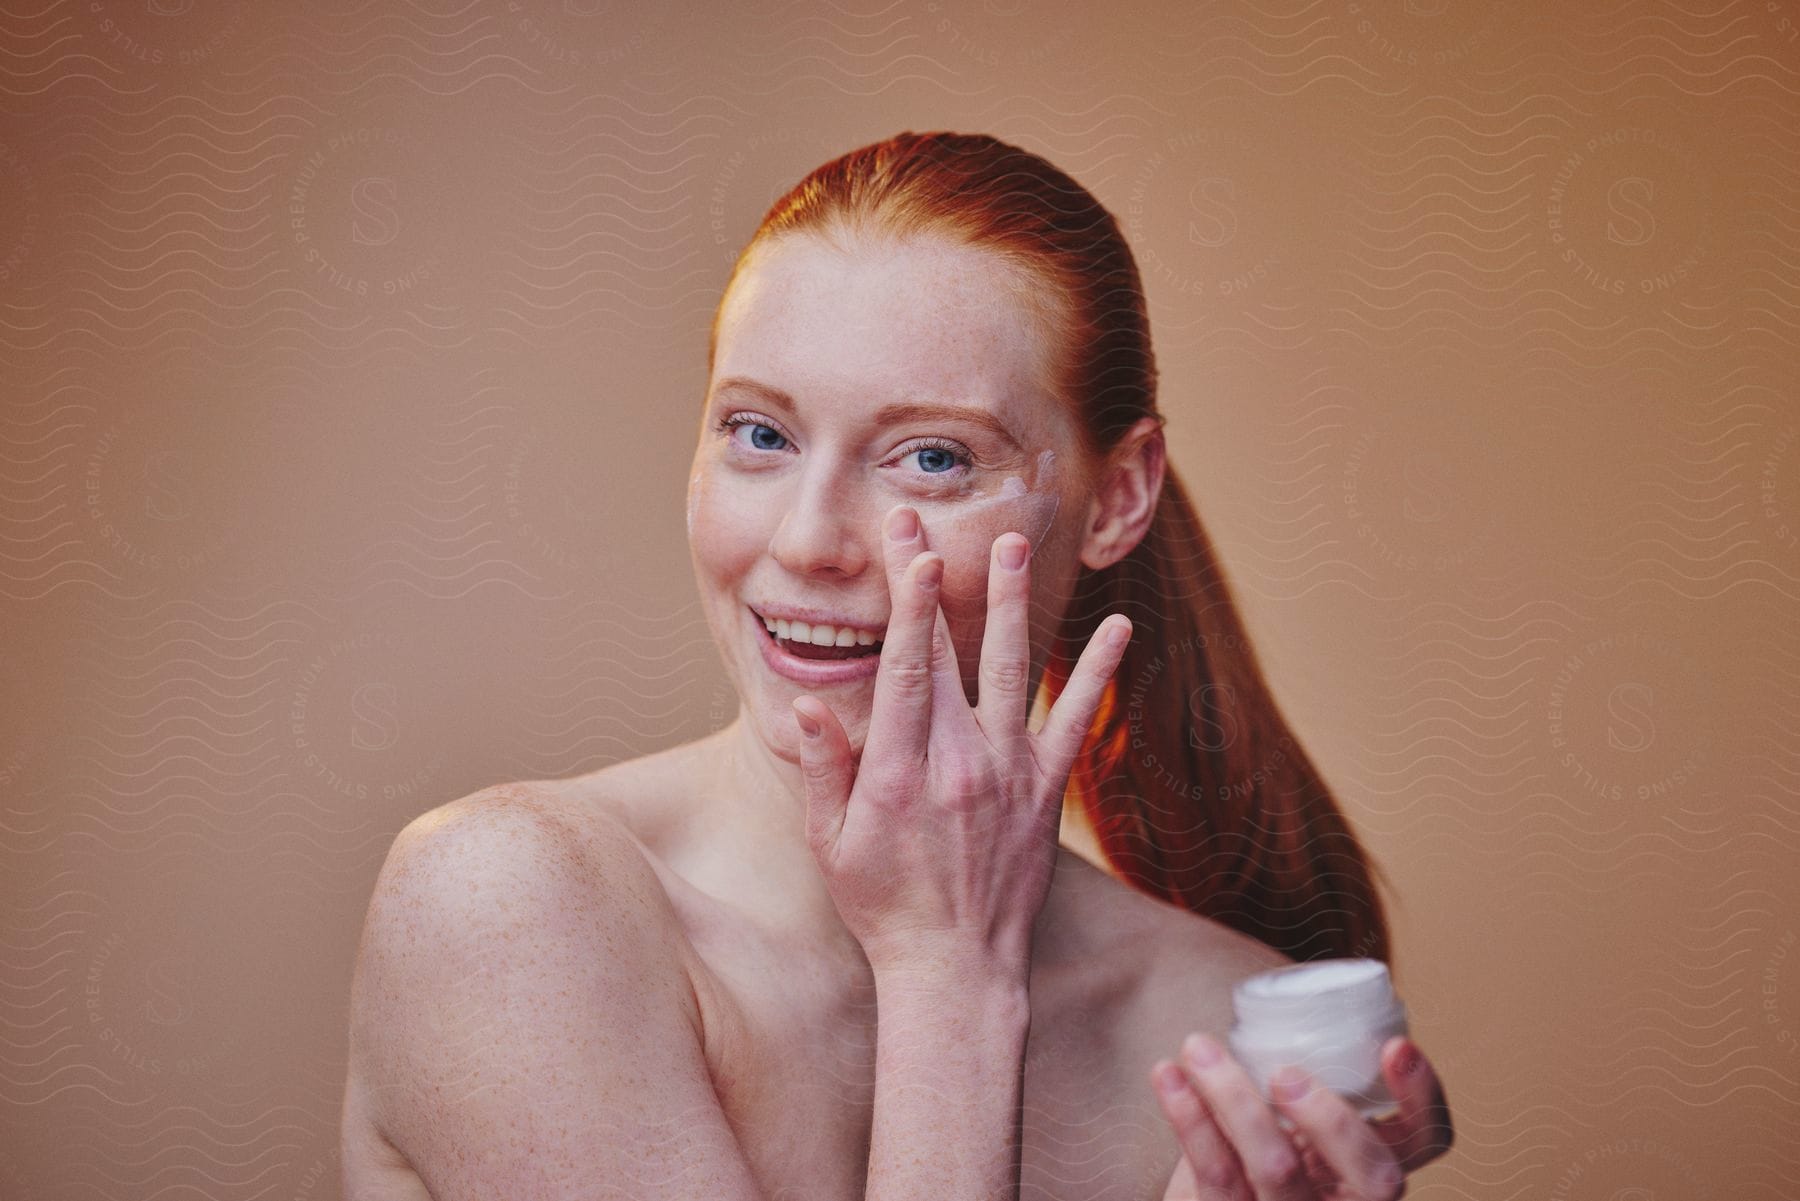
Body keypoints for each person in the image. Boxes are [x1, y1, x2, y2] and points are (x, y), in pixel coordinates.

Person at [339, 131, 1454, 1200]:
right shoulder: (506, 905)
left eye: (931, 457)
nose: (810, 541)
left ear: (1119, 496)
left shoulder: (1213, 1033)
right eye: (760, 434)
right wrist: (945, 971)